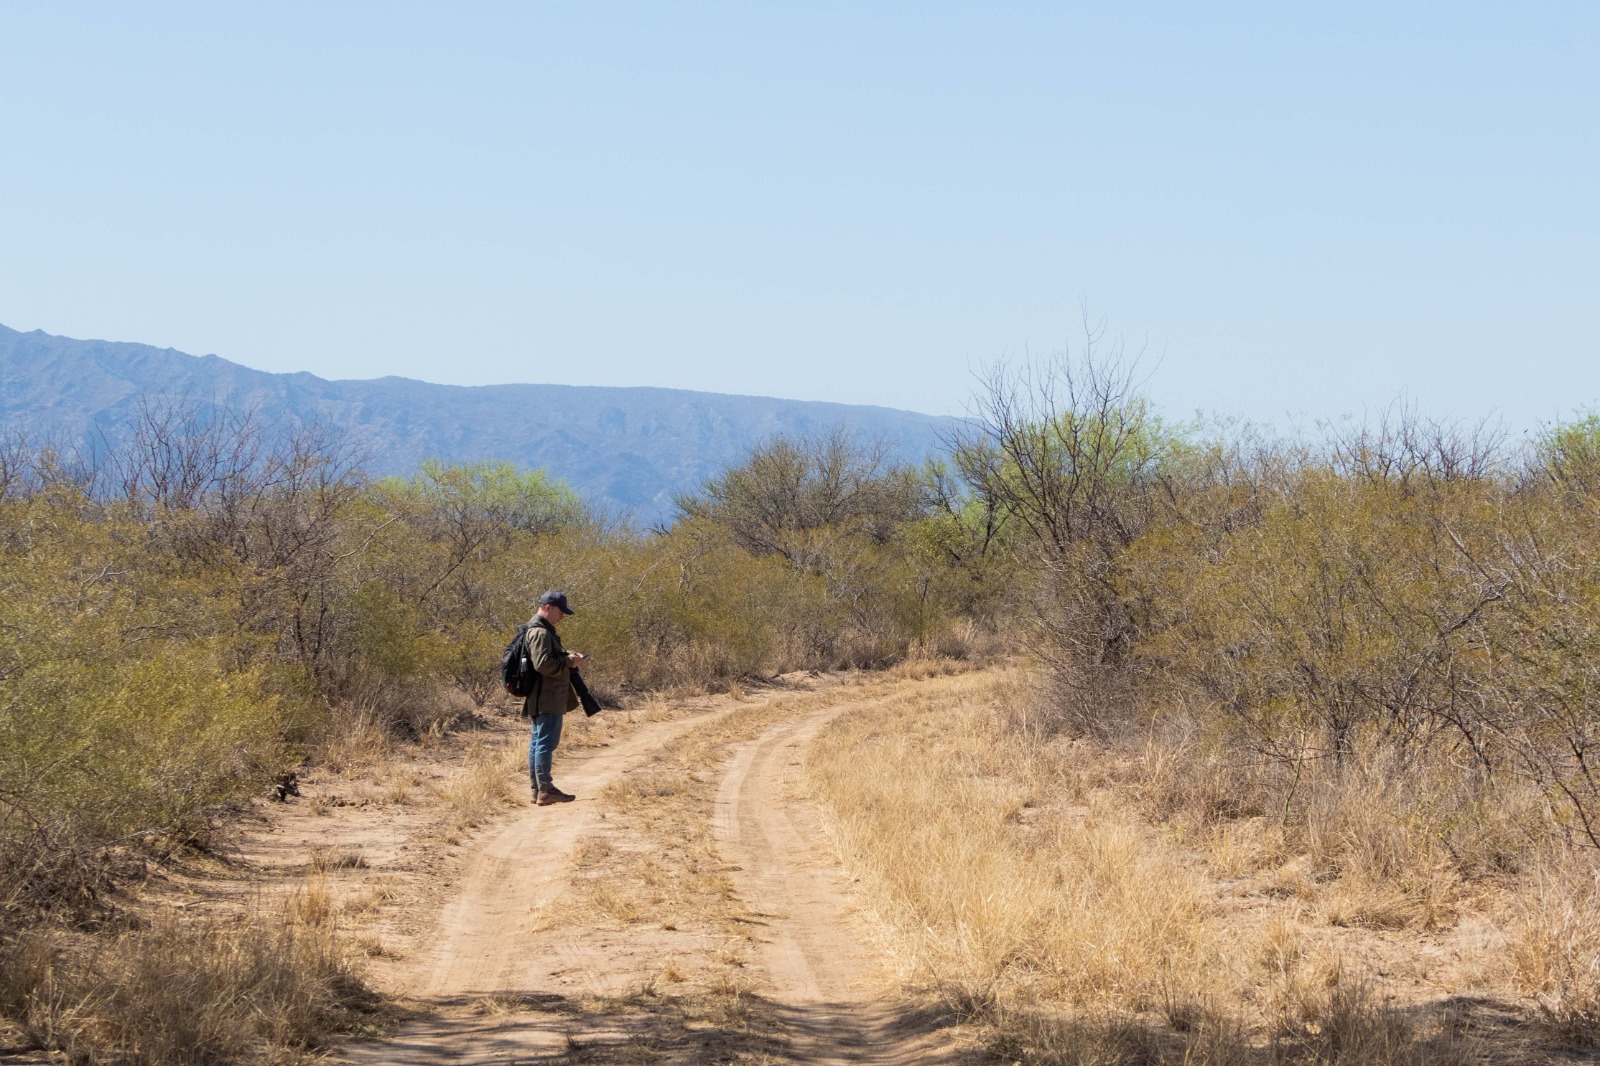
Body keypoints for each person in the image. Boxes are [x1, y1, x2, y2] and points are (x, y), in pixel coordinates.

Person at [523, 589, 586, 805]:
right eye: (560, 612)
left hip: (543, 696)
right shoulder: (540, 633)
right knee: (544, 744)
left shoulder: (539, 631)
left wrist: (565, 656)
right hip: (547, 697)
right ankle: (545, 790)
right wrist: (569, 662)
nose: (562, 617)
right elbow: (543, 665)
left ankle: (538, 790)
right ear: (548, 608)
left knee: (538, 742)